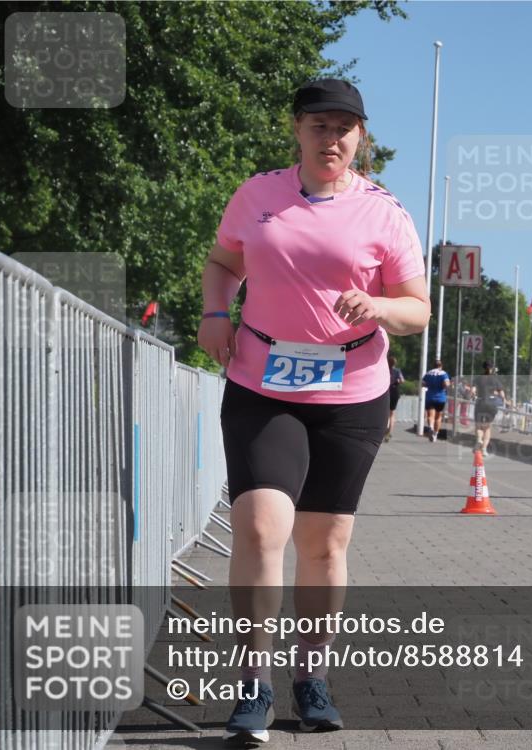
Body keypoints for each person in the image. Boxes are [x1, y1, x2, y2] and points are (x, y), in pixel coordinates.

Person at [197, 78, 430, 744]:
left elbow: (417, 308)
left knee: (324, 547)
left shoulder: (386, 212)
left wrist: (379, 306)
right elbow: (222, 262)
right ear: (297, 130)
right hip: (262, 380)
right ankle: (252, 685)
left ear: (362, 137)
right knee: (261, 528)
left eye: (345, 128)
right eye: (320, 126)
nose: (333, 139)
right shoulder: (258, 195)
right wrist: (217, 313)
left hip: (352, 390)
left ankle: (311, 676)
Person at [473, 361, 505, 454]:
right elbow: (502, 394)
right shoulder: (495, 379)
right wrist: (503, 400)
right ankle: (484, 449)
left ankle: (479, 439)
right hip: (491, 404)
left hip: (480, 403)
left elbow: (473, 391)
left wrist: (473, 395)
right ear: (492, 368)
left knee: (479, 425)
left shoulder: (478, 378)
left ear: (484, 368)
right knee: (487, 427)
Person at [421, 359, 451, 442]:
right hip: (440, 398)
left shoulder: (428, 373)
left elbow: (423, 384)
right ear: (441, 366)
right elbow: (446, 384)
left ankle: (430, 426)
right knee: (438, 417)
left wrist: (429, 385)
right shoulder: (443, 373)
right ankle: (435, 434)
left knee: (430, 415)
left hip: (429, 397)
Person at [386, 353, 404, 441]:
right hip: (395, 392)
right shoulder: (397, 371)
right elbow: (402, 380)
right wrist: (397, 381)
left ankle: (385, 429)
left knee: (385, 413)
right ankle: (389, 432)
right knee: (392, 413)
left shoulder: (384, 370)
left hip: (385, 392)